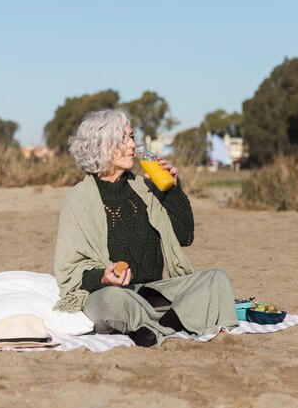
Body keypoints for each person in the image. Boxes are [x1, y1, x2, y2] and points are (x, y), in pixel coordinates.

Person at [53, 109, 238, 347]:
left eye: (132, 136)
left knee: (216, 279)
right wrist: (104, 277)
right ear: (102, 145)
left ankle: (154, 329)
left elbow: (184, 236)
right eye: (124, 139)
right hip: (113, 295)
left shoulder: (146, 189)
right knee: (111, 301)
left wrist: (172, 190)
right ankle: (176, 321)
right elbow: (70, 272)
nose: (132, 144)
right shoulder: (77, 201)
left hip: (154, 294)